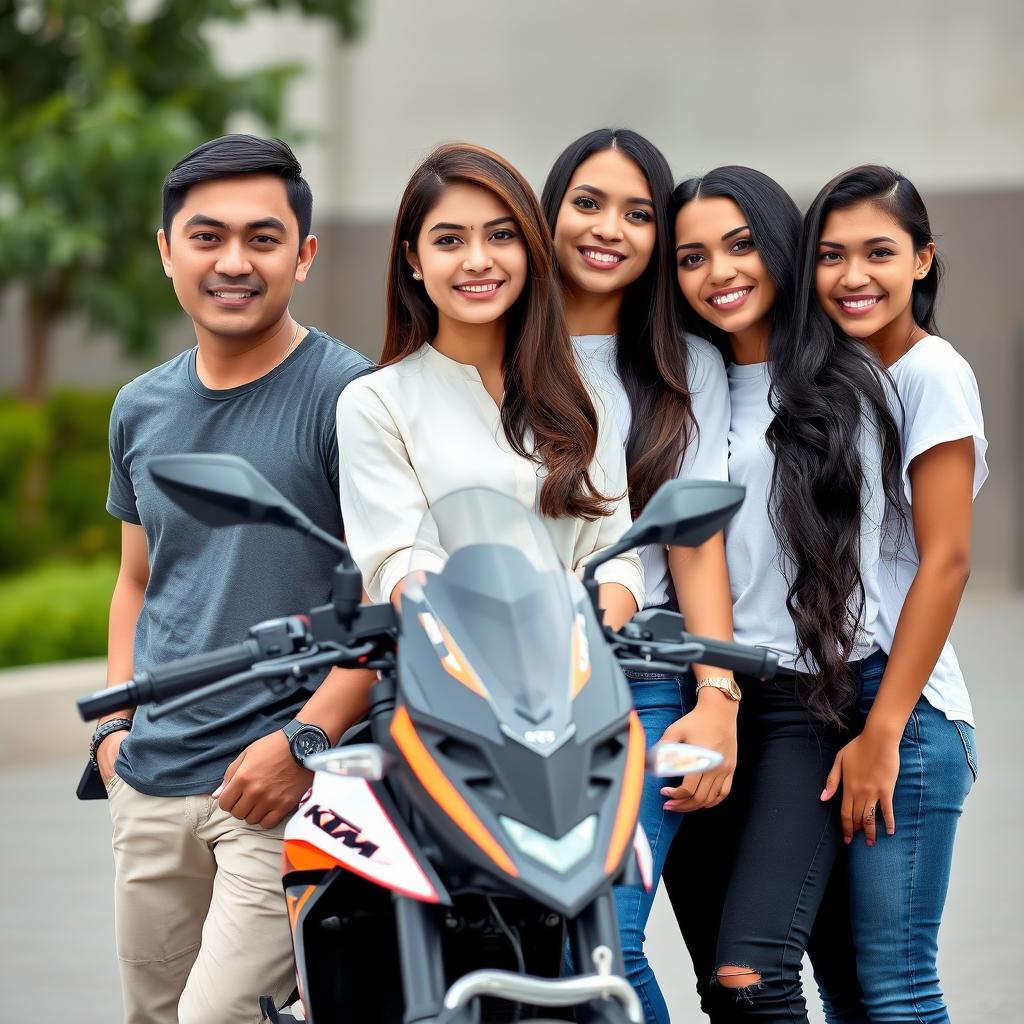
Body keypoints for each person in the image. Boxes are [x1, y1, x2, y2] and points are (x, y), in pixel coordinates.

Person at [91, 134, 373, 1024]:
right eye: (207, 237)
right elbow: (138, 579)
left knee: (218, 1018)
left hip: (277, 786)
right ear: (167, 251)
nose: (234, 261)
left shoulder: (351, 397)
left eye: (262, 237)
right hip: (151, 776)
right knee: (154, 1015)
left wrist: (302, 742)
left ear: (305, 253)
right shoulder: (140, 405)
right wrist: (114, 727)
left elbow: (388, 601)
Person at [661, 166, 902, 1022]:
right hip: (699, 702)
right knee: (719, 992)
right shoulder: (676, 389)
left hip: (807, 706)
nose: (719, 272)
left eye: (740, 244)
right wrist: (710, 690)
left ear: (781, 248)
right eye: (692, 256)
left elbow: (869, 582)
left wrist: (877, 724)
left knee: (751, 976)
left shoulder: (847, 389)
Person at [541, 128, 734, 1024]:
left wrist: (716, 697)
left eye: (638, 213)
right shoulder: (498, 350)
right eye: (588, 202)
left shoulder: (684, 365)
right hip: (513, 688)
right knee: (535, 938)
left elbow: (695, 543)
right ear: (549, 212)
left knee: (601, 937)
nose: (608, 227)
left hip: (644, 685)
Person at [806, 165, 985, 1023]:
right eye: (831, 256)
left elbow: (947, 558)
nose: (852, 276)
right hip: (842, 703)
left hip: (903, 716)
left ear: (922, 261)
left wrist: (882, 732)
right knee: (847, 988)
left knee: (897, 986)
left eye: (878, 252)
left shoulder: (931, 373)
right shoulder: (841, 378)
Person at [336, 141, 642, 633]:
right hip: (449, 683)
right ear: (414, 258)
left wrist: (574, 636)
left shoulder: (584, 394)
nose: (478, 260)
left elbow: (617, 555)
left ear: (529, 248)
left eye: (501, 236)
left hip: (585, 678)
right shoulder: (375, 403)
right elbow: (396, 561)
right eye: (449, 240)